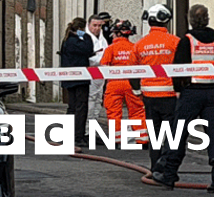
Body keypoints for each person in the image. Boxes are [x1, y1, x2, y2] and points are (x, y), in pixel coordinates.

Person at [152, 4, 214, 194]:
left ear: (190, 20)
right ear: (208, 19)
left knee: (178, 133)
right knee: (213, 135)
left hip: (191, 93)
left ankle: (169, 176)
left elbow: (178, 69)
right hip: (213, 93)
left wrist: (179, 90)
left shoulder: (187, 41)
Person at [135, 3, 181, 170]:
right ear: (166, 21)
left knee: (154, 134)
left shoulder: (140, 44)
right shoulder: (175, 42)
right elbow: (183, 67)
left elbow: (133, 70)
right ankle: (167, 167)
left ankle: (155, 167)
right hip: (170, 95)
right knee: (171, 134)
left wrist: (137, 91)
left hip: (149, 96)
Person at [100, 19, 148, 146]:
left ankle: (116, 140)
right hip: (132, 84)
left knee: (114, 112)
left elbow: (103, 67)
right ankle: (142, 139)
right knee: (137, 111)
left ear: (117, 34)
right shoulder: (134, 47)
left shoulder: (111, 49)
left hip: (114, 84)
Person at [59, 17, 94, 151]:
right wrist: (85, 35)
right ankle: (78, 136)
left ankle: (69, 135)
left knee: (72, 107)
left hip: (69, 79)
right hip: (80, 78)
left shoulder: (66, 40)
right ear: (81, 28)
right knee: (81, 107)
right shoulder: (77, 41)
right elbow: (89, 49)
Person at [85, 14, 109, 123]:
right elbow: (89, 58)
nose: (97, 28)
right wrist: (101, 60)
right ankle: (87, 127)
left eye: (99, 26)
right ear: (88, 25)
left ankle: (94, 125)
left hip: (101, 73)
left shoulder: (102, 38)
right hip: (91, 72)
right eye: (94, 25)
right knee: (91, 99)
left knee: (98, 99)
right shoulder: (85, 37)